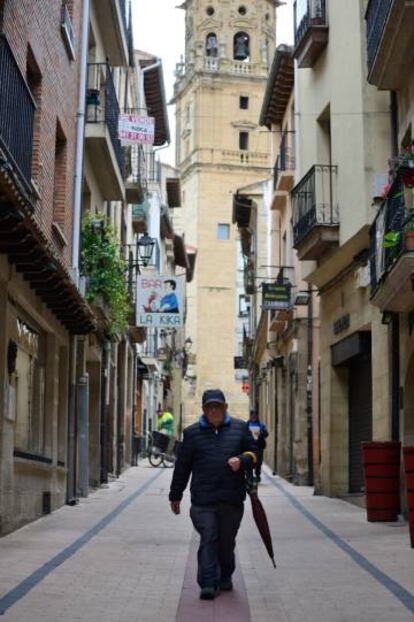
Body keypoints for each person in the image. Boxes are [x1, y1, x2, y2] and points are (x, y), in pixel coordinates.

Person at [169, 389, 257, 600]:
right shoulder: (192, 434)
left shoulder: (240, 428)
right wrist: (175, 495)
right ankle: (207, 583)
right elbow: (182, 467)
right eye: (210, 407)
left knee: (226, 541)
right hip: (203, 500)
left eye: (218, 406)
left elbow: (255, 454)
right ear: (204, 410)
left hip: (231, 499)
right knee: (209, 537)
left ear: (225, 408)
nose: (214, 410)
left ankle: (225, 575)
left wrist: (242, 460)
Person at [247, 409, 268, 482]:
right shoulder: (247, 424)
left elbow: (266, 434)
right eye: (252, 414)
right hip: (249, 446)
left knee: (258, 462)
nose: (253, 416)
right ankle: (249, 476)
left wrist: (261, 433)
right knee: (249, 461)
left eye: (255, 414)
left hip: (259, 446)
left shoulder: (261, 425)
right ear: (250, 416)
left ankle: (258, 475)